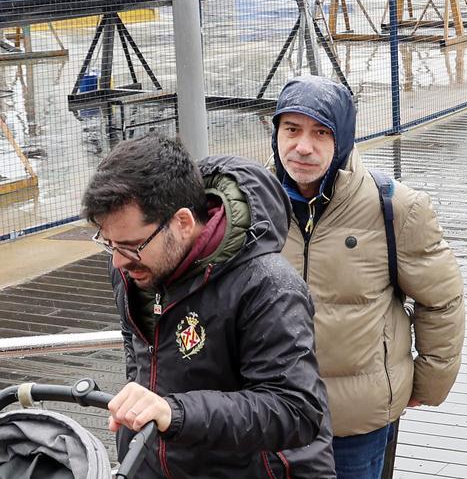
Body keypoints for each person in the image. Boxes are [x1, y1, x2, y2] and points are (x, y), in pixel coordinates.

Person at [82, 135, 336, 478]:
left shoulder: (267, 286)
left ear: (183, 223)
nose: (117, 261)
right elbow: (140, 363)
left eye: (130, 245)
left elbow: (296, 411)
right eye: (107, 242)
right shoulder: (131, 269)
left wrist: (175, 412)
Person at [272, 76, 465, 479]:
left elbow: (441, 300)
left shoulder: (395, 208)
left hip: (356, 422)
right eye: (291, 130)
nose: (302, 146)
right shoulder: (252, 204)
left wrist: (426, 384)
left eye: (320, 133)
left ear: (342, 139)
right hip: (272, 413)